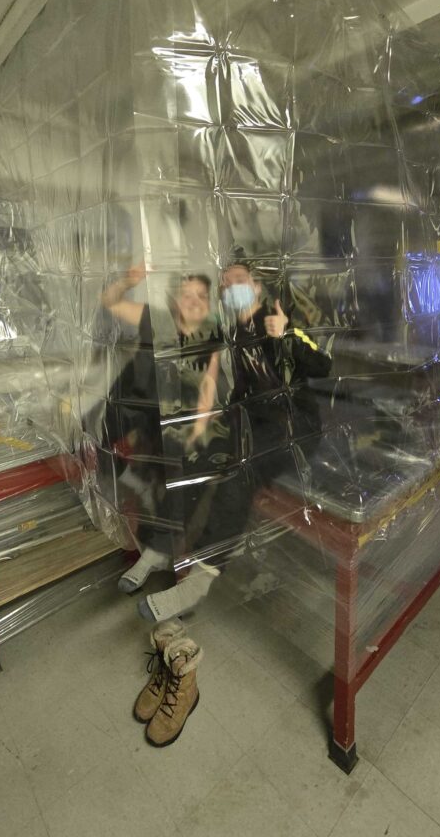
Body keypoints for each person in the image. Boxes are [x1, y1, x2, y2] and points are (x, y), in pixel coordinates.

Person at [137, 259, 332, 622]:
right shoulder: (232, 332)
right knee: (191, 455)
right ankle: (160, 545)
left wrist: (287, 335)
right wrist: (204, 427)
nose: (231, 288)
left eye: (239, 280)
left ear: (256, 287)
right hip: (252, 423)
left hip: (294, 427)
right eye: (225, 284)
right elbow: (224, 384)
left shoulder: (277, 320)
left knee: (238, 473)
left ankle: (199, 582)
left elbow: (324, 364)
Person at [100, 265, 224, 593]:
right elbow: (110, 301)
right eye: (187, 295)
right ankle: (136, 482)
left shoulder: (211, 334)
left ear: (209, 302)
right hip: (131, 403)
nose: (194, 301)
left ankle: (156, 552)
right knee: (91, 444)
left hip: (173, 414)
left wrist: (199, 427)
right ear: (174, 299)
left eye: (201, 296)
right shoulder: (154, 317)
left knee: (190, 464)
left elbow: (208, 385)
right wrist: (128, 280)